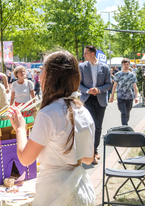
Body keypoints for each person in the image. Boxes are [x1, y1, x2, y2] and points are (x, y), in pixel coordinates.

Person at [8, 51, 95, 206]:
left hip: (55, 194)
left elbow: (25, 159)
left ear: (51, 77)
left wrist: (20, 129)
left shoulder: (48, 114)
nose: (40, 76)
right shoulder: (84, 111)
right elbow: (88, 158)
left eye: (42, 70)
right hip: (82, 192)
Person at [79, 45, 111, 165]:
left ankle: (95, 150)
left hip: (100, 99)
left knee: (97, 127)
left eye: (86, 53)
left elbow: (109, 84)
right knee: (88, 126)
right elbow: (78, 84)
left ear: (93, 54)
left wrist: (98, 89)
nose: (84, 55)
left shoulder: (105, 67)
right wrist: (88, 91)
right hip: (87, 99)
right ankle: (90, 153)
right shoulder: (82, 67)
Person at [110, 58, 139, 126]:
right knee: (123, 112)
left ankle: (125, 125)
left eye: (127, 64)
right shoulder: (117, 75)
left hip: (129, 97)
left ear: (129, 65)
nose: (126, 66)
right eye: (125, 64)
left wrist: (136, 97)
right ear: (122, 65)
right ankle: (125, 128)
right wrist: (112, 96)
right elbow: (114, 86)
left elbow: (135, 87)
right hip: (120, 97)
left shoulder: (132, 75)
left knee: (127, 113)